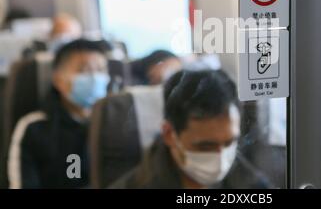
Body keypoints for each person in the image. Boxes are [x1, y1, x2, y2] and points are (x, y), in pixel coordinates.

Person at [110, 70, 271, 189]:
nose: (221, 158)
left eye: (229, 143)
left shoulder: (250, 182)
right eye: (205, 146)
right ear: (169, 135)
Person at [7, 39, 110, 188]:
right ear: (58, 80)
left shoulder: (116, 126)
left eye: (101, 70)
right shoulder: (35, 128)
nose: (95, 78)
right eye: (84, 70)